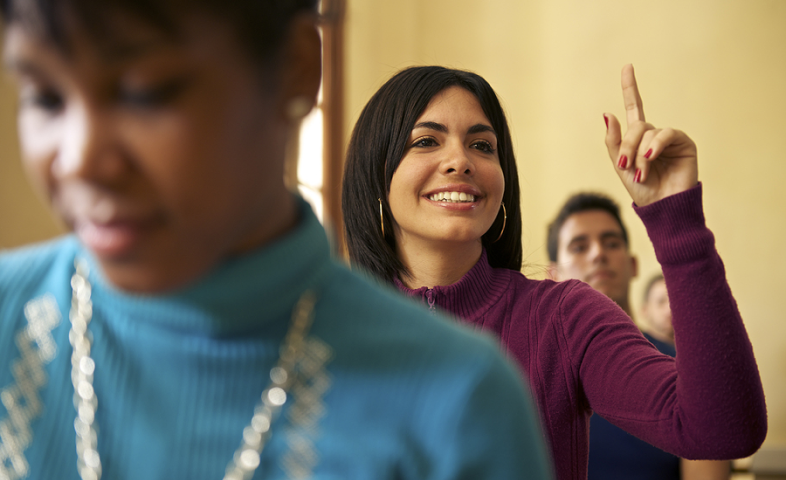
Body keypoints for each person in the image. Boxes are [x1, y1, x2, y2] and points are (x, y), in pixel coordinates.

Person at [0, 1, 555, 479]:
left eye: (147, 93)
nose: (80, 159)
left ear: (294, 68)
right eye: (46, 97)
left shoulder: (456, 399)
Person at [341, 65, 767, 480]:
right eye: (427, 141)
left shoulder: (564, 317)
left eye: (483, 146)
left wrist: (677, 219)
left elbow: (723, 430)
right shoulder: (331, 331)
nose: (460, 161)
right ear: (377, 175)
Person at [548, 194, 731, 480]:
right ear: (553, 275)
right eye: (579, 246)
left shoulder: (683, 369)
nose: (598, 254)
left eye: (611, 243)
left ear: (632, 265)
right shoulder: (534, 373)